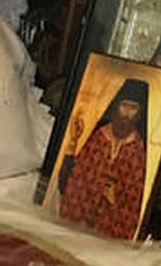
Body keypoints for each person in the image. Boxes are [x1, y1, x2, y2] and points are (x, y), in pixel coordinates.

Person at [59, 79, 150, 239]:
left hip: (109, 232)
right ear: (116, 106)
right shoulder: (98, 137)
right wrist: (96, 186)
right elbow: (75, 179)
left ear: (139, 113)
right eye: (124, 106)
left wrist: (115, 199)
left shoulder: (137, 150)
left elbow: (133, 202)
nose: (126, 114)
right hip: (80, 223)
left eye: (133, 108)